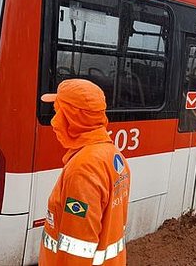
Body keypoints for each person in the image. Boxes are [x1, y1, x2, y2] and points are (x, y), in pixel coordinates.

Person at [39, 79, 130, 266]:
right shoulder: (113, 156)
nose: (54, 121)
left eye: (58, 112)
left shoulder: (83, 170)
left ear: (73, 118)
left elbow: (77, 250)